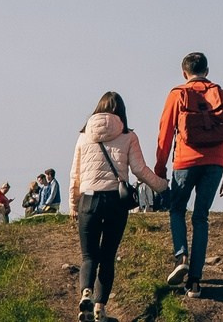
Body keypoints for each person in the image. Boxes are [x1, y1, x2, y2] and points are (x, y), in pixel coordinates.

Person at [71, 90, 167, 322]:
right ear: (121, 111)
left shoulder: (84, 135)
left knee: (88, 256)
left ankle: (86, 293)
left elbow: (75, 174)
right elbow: (139, 170)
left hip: (89, 199)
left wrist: (73, 204)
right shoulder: (128, 135)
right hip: (115, 201)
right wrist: (162, 187)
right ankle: (99, 309)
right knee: (107, 256)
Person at [154, 51, 223, 299]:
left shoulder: (178, 94)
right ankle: (195, 282)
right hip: (216, 162)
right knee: (201, 217)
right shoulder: (222, 95)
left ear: (184, 73)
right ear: (207, 71)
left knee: (177, 210)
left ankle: (181, 257)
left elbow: (165, 134)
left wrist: (160, 170)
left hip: (185, 161)